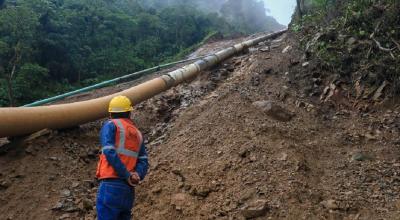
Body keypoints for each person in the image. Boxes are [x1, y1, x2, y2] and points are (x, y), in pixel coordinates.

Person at [96, 95, 149, 220]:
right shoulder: (137, 133)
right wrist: (136, 175)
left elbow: (109, 151)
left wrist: (125, 174)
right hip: (128, 189)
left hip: (111, 184)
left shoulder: (111, 125)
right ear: (129, 113)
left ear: (110, 113)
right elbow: (144, 160)